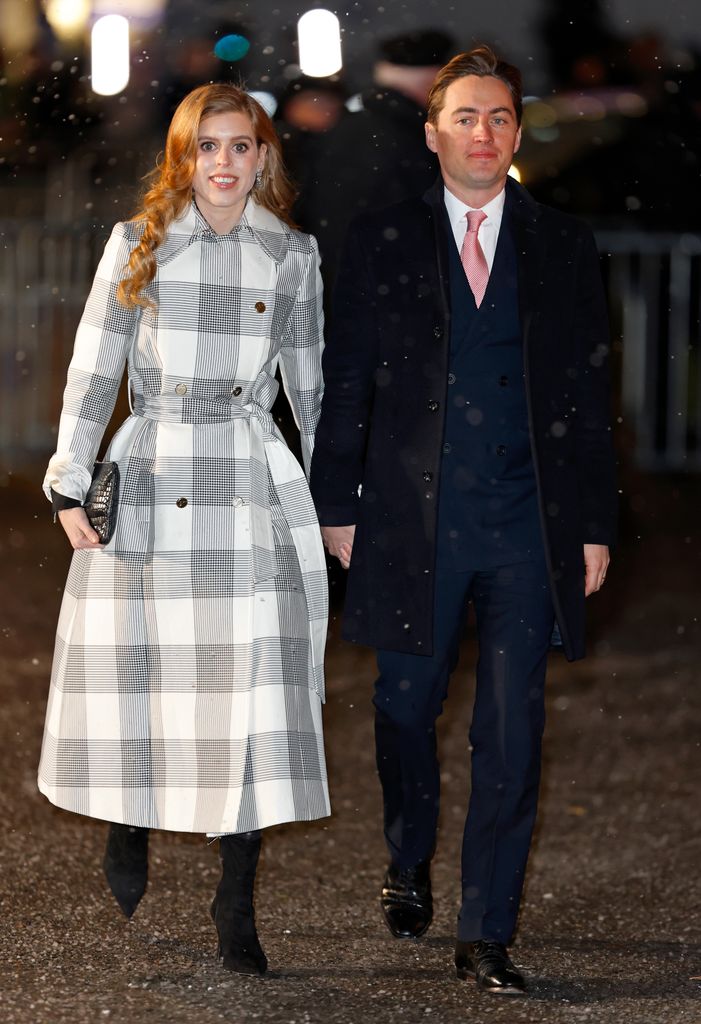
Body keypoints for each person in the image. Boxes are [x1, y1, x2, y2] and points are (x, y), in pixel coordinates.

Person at [310, 46, 616, 996]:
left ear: (515, 133)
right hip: (410, 521)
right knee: (403, 710)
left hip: (528, 524)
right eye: (464, 117)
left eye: (496, 118)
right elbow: (346, 378)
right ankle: (407, 855)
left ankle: (486, 931)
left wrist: (593, 523)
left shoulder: (563, 244)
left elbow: (588, 390)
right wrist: (337, 499)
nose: (480, 133)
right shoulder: (383, 237)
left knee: (511, 731)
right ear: (432, 130)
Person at [40, 83, 329, 976]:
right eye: (207, 147)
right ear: (183, 157)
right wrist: (67, 480)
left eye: (241, 147)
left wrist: (334, 503)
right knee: (142, 664)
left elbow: (310, 390)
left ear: (263, 157)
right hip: (154, 466)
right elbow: (96, 369)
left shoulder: (292, 255)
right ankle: (128, 823)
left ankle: (234, 900)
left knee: (250, 686)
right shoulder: (139, 242)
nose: (224, 164)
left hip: (247, 477)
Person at [296, 29, 453, 299]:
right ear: (431, 83)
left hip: (354, 293)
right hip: (388, 297)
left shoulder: (355, 128)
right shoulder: (402, 138)